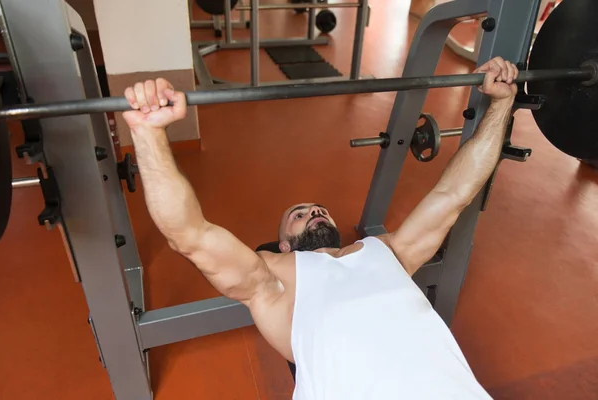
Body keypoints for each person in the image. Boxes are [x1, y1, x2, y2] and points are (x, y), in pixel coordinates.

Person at [122, 56, 518, 399]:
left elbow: (455, 193)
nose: (314, 210)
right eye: (299, 213)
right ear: (283, 246)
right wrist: (149, 133)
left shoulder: (390, 252)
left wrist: (502, 104)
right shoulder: (273, 281)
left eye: (319, 209)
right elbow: (190, 235)